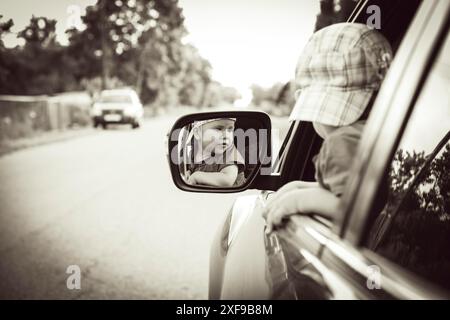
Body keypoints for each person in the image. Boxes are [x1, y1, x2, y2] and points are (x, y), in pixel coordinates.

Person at [263, 23, 393, 233]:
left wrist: (296, 201)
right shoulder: (386, 135)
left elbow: (356, 207)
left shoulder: (342, 140)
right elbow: (363, 193)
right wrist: (301, 187)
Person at [184, 118, 245, 187]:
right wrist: (190, 174)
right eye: (219, 129)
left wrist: (197, 176)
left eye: (230, 130)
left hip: (232, 196)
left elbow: (227, 180)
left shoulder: (230, 152)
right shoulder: (194, 152)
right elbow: (193, 168)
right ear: (198, 133)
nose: (226, 136)